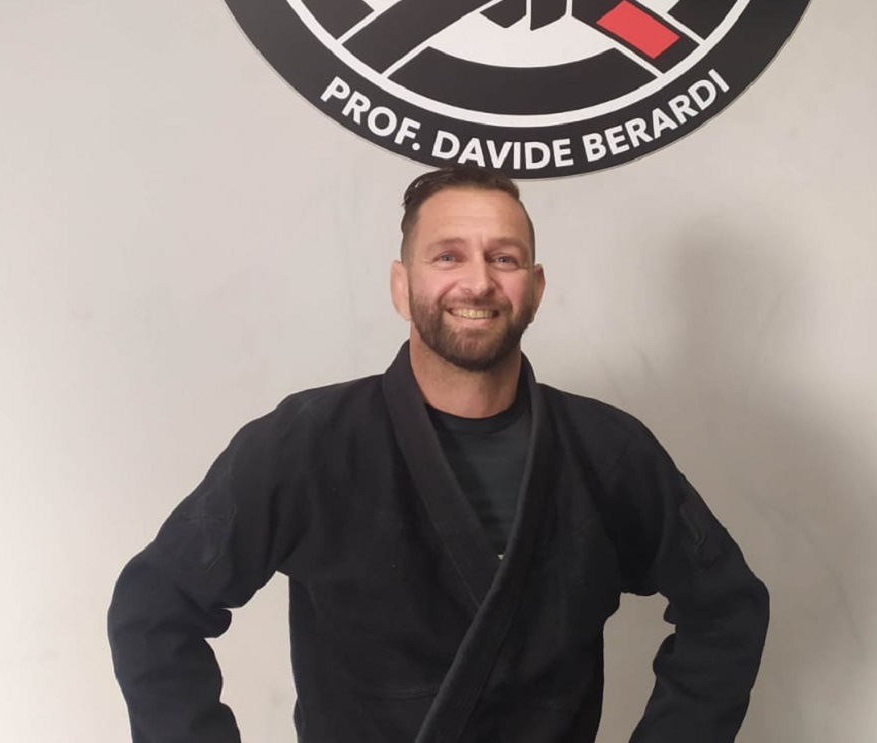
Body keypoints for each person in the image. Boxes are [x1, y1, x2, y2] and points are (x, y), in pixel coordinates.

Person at [108, 166, 769, 743]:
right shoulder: (307, 443)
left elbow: (727, 607)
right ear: (402, 286)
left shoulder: (607, 450)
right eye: (447, 256)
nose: (478, 281)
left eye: (504, 259)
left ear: (536, 287)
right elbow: (155, 606)